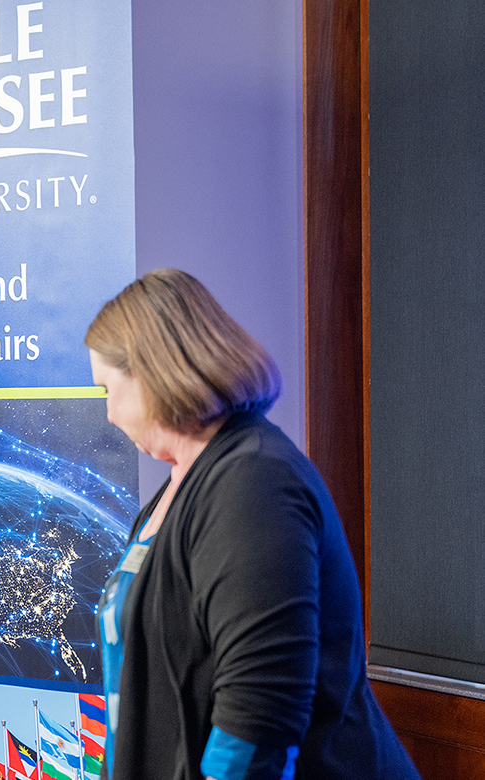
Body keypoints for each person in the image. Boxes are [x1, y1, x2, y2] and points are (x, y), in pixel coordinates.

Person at [87, 269, 419, 780]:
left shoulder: (253, 481)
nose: (108, 414)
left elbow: (259, 712)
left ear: (153, 375)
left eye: (108, 389)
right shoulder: (184, 481)